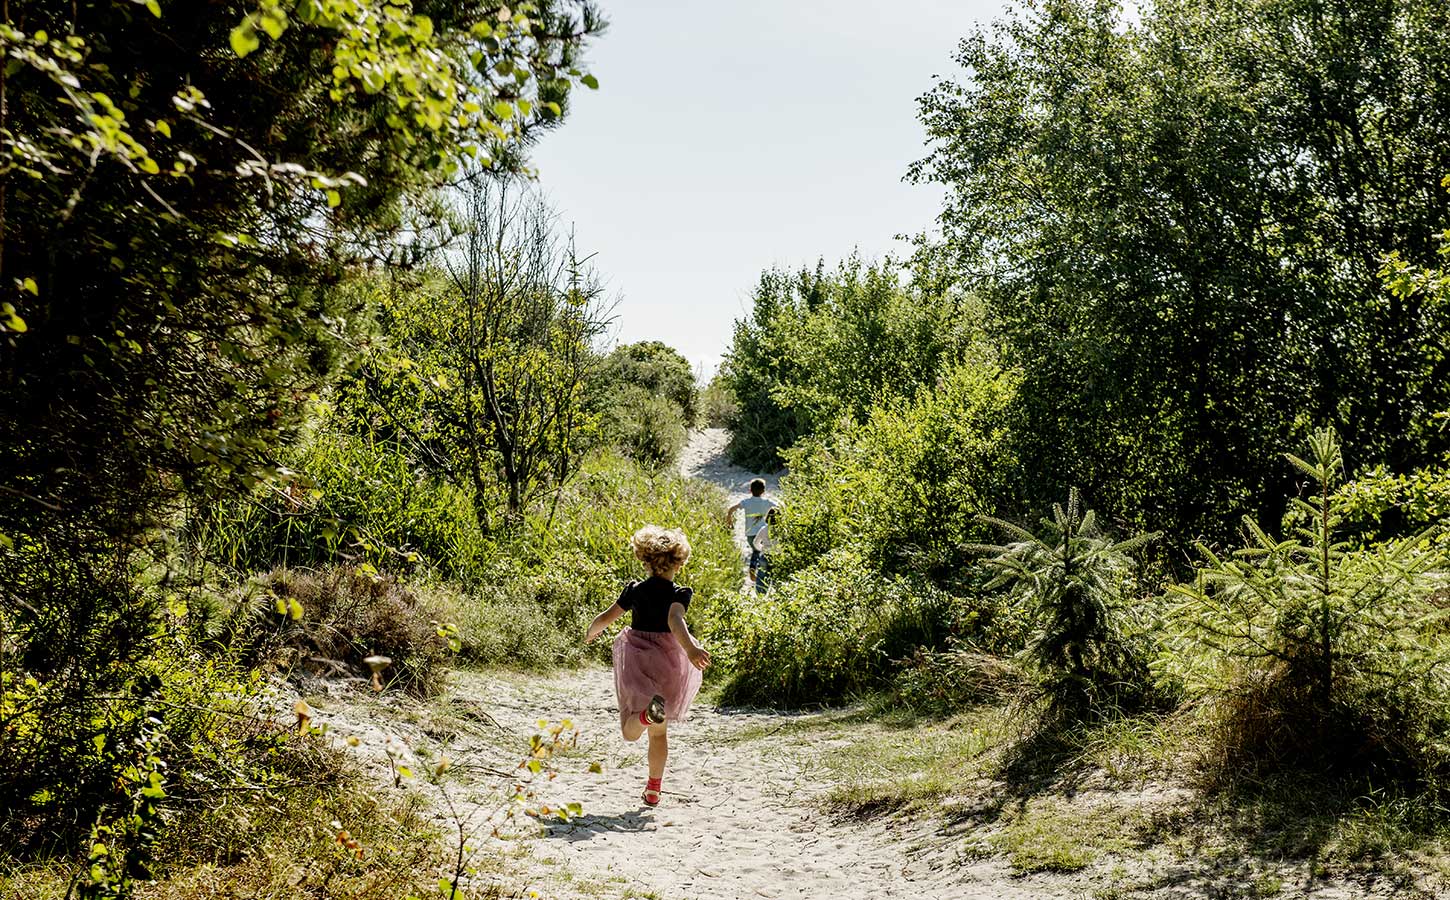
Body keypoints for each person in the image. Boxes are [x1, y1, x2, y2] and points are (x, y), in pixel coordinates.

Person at [584, 525, 711, 807]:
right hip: (668, 663)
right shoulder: (680, 593)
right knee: (659, 732)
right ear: (679, 563)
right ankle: (653, 789)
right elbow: (675, 620)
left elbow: (607, 617)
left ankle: (643, 717)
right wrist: (690, 649)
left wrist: (592, 632)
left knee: (630, 732)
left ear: (645, 560)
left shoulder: (635, 590)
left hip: (638, 658)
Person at [726, 478, 778, 585]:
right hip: (763, 532)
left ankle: (754, 569)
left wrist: (729, 520)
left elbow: (731, 509)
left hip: (750, 533)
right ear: (763, 491)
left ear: (750, 490)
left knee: (756, 550)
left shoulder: (746, 502)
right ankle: (758, 570)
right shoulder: (767, 502)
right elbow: (779, 508)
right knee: (761, 551)